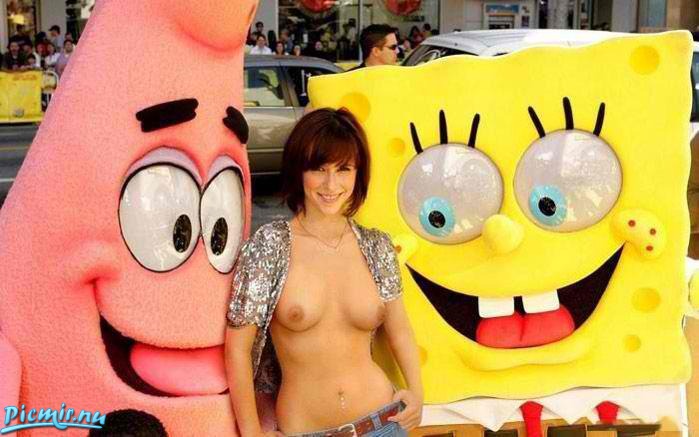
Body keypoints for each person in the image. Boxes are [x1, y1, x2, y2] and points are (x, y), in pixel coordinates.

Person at [226, 108, 423, 436]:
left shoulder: (376, 246)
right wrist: (251, 432)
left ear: (358, 173)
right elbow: (237, 348)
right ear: (299, 171)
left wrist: (417, 392)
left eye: (344, 169)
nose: (331, 184)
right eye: (319, 168)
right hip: (305, 429)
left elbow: (400, 329)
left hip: (383, 423)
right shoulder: (270, 246)